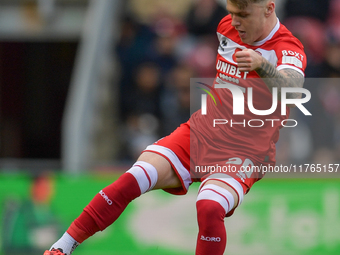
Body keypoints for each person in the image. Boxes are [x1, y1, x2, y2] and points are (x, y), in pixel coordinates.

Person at [44, 0, 306, 254]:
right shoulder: (227, 26)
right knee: (133, 177)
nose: (236, 22)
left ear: (269, 8)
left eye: (244, 15)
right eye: (232, 13)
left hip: (244, 150)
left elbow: (293, 92)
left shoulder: (287, 49)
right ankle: (61, 248)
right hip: (201, 133)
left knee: (210, 207)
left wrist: (262, 65)